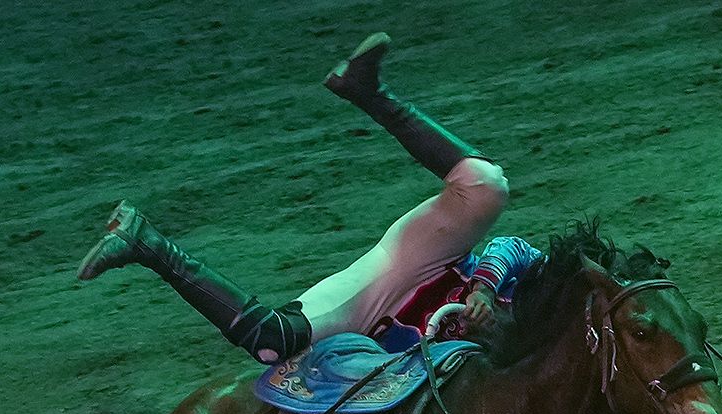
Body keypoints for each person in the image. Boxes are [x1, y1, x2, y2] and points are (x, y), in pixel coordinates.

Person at [75, 33, 545, 363]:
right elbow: (517, 248)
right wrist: (484, 284)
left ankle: (146, 243)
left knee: (273, 343)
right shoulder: (560, 305)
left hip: (373, 327)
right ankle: (367, 92)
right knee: (486, 186)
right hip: (420, 266)